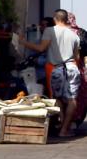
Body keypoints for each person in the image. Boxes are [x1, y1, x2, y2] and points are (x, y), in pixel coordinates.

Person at [19, 9, 81, 137]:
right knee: (72, 100)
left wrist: (24, 42)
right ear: (66, 19)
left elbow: (41, 48)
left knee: (57, 98)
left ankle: (62, 124)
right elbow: (77, 57)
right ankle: (65, 129)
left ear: (55, 19)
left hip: (57, 68)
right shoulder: (75, 35)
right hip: (71, 67)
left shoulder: (49, 31)